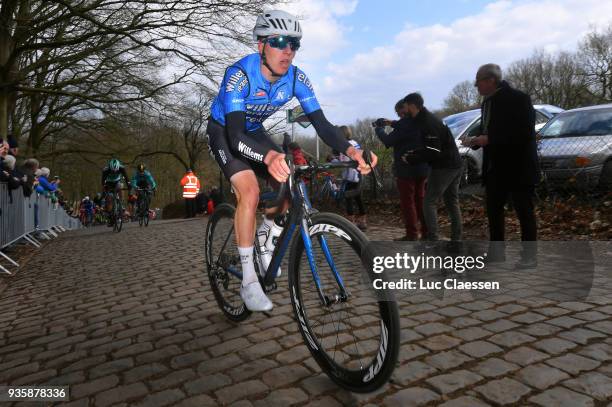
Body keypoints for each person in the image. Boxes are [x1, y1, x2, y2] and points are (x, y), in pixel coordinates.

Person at [206, 10, 376, 311]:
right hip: (225, 131)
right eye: (279, 42)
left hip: (254, 131)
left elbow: (322, 125)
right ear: (260, 46)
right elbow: (234, 136)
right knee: (250, 191)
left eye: (294, 44)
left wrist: (352, 151)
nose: (288, 50)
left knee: (288, 177)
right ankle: (248, 281)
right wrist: (269, 155)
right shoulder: (239, 75)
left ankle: (266, 237)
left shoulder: (297, 78)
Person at [464, 64, 539, 265]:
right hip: (495, 167)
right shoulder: (487, 102)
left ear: (490, 80)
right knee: (494, 210)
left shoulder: (519, 99)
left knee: (524, 211)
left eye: (478, 81)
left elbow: (525, 132)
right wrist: (476, 140)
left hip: (519, 166)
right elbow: (490, 129)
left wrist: (489, 139)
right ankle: (497, 253)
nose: (475, 86)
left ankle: (529, 257)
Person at [402, 93, 463, 242]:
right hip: (455, 163)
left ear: (411, 105)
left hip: (444, 166)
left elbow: (434, 152)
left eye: (405, 107)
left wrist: (411, 158)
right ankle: (457, 239)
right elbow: (432, 146)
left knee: (429, 202)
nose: (404, 110)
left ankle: (433, 239)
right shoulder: (425, 118)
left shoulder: (427, 122)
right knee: (452, 201)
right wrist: (416, 152)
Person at [374, 99, 430, 240]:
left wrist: (379, 129)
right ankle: (426, 232)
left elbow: (388, 141)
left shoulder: (404, 124)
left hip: (406, 170)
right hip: (422, 167)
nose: (399, 116)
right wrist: (390, 122)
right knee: (421, 200)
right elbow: (401, 124)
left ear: (403, 110)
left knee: (408, 202)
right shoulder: (420, 120)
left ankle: (412, 234)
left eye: (399, 113)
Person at [337, 126, 367, 230]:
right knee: (358, 198)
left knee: (348, 197)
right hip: (358, 174)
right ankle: (363, 221)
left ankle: (351, 223)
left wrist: (334, 160)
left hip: (351, 176)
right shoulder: (355, 143)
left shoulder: (345, 145)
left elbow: (343, 161)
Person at [101, 158, 131, 225]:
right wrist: (104, 188)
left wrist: (129, 185)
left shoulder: (122, 168)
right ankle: (110, 215)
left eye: (116, 171)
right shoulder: (106, 170)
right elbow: (103, 182)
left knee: (121, 186)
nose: (114, 172)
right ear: (110, 168)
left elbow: (126, 178)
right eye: (112, 171)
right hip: (108, 183)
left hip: (117, 181)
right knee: (109, 198)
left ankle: (121, 203)